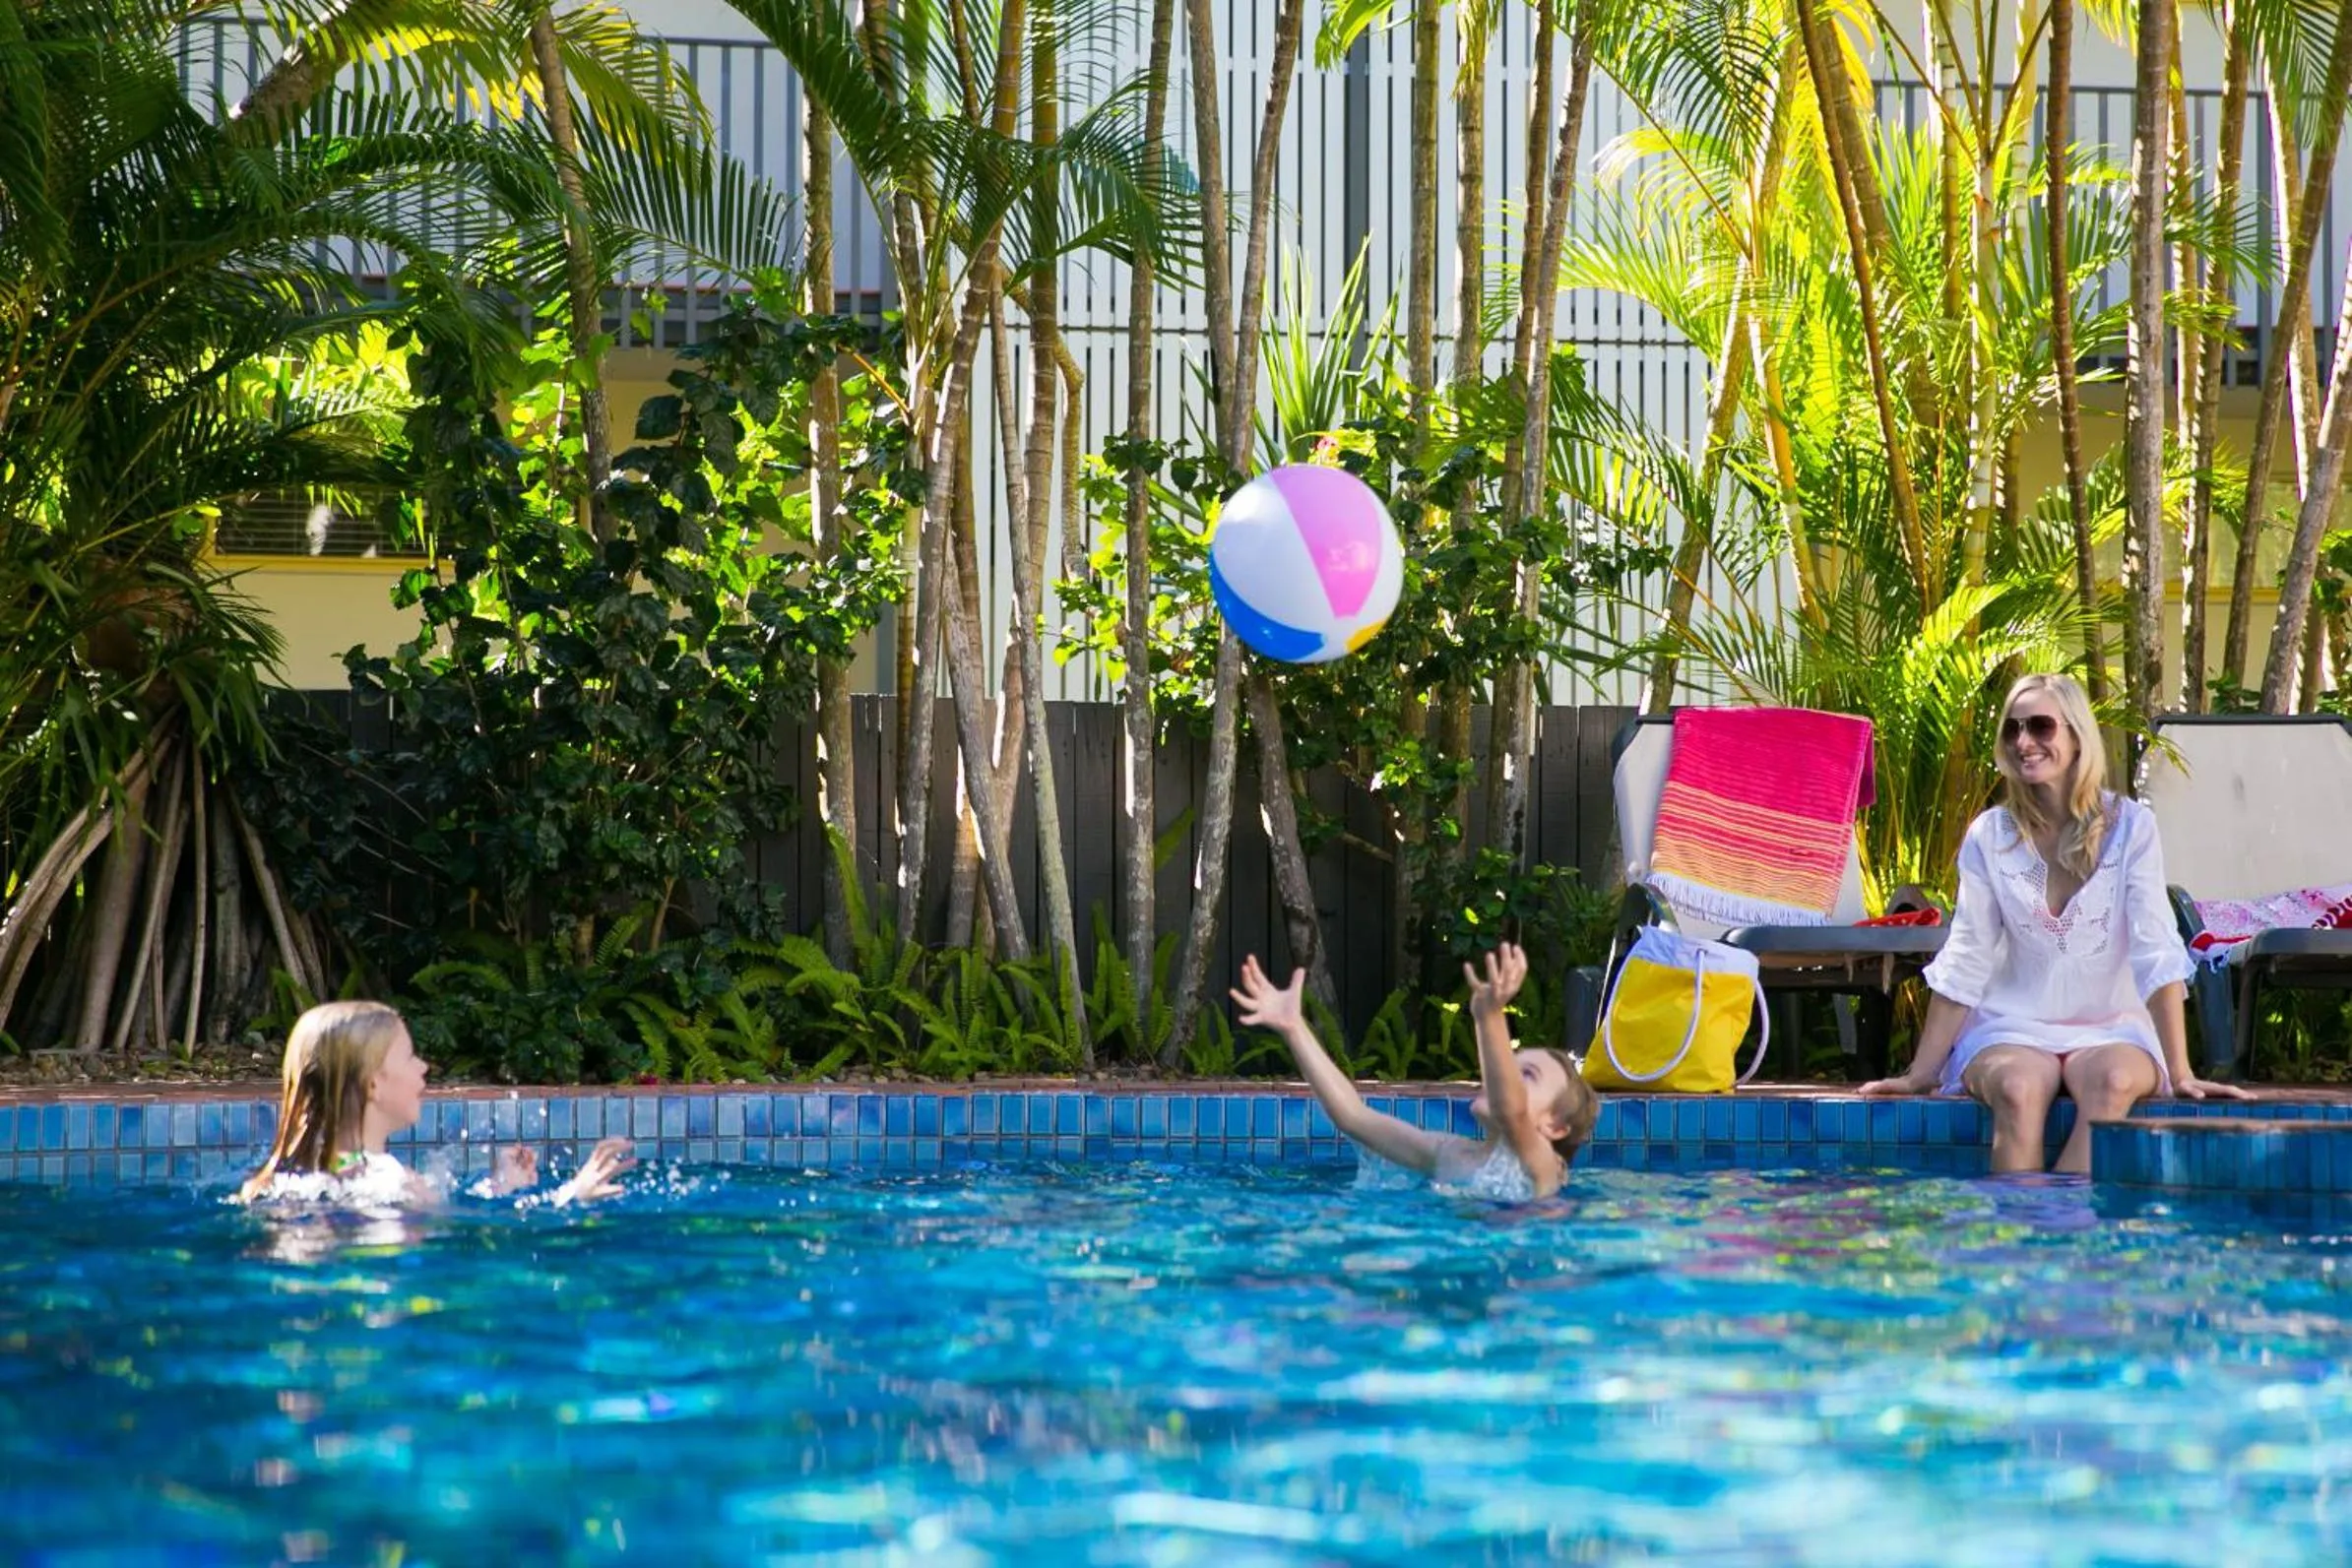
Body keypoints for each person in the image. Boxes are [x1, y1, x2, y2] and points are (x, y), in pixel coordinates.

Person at [1860, 672, 2252, 1172]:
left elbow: (2155, 947)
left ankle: (2067, 1239)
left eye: (2041, 726)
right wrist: (1920, 1074)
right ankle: (2025, 1240)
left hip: (2113, 1028)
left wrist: (2180, 1069)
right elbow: (1967, 955)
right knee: (2019, 1089)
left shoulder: (2131, 827)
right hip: (2011, 1026)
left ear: (2075, 735)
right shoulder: (1991, 835)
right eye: (2013, 729)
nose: (2024, 742)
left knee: (2111, 1085)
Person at [1232, 941, 1597, 1201]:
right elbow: (1354, 1117)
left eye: (1526, 1075)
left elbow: (1512, 1111)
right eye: (1505, 1066)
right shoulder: (1449, 1154)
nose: (1502, 1076)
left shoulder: (1544, 1166)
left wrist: (1489, 1018)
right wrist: (1294, 1027)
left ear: (1555, 1126)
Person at [235, 999, 634, 1206]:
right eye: (410, 1057)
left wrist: (502, 1185)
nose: (423, 1067)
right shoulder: (391, 1181)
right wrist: (570, 1197)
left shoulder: (287, 1178)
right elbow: (463, 1240)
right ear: (373, 1084)